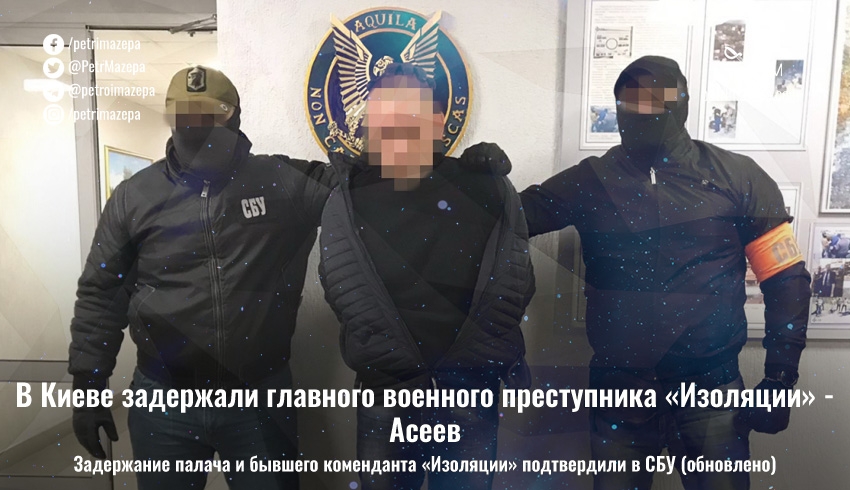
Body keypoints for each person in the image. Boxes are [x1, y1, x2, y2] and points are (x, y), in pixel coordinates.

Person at [518, 56, 811, 490]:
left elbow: (786, 280)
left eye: (656, 100)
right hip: (621, 390)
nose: (643, 112)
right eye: (631, 102)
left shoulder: (738, 177)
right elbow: (511, 217)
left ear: (682, 103)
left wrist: (780, 376)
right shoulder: (592, 179)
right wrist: (478, 179)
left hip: (709, 388)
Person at [68, 66, 335, 489]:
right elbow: (102, 294)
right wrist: (88, 384)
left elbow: (361, 189)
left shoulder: (281, 181)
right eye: (185, 115)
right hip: (163, 402)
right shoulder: (134, 196)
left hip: (258, 398)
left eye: (212, 115)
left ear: (235, 117)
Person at [318, 63, 535, 490]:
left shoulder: (487, 186)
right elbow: (338, 282)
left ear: (438, 119)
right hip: (388, 393)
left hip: (468, 393)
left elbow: (516, 278)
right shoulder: (348, 193)